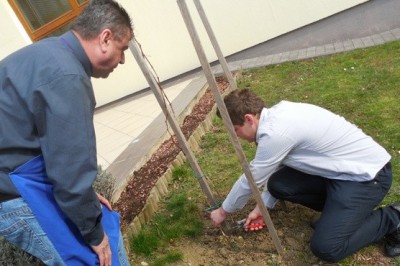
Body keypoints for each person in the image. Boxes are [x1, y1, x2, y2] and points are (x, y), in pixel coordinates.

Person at [0, 0, 133, 265]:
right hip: (21, 191)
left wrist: (79, 196)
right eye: (123, 49)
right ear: (105, 38)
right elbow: (70, 173)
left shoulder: (44, 53)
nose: (123, 60)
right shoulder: (67, 76)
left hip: (20, 180)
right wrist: (94, 234)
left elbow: (47, 152)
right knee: (99, 258)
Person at [210, 88, 400, 262]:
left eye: (236, 130)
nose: (237, 137)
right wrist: (262, 207)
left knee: (326, 248)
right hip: (338, 172)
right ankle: (339, 217)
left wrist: (223, 211)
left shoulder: (276, 133)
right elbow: (274, 167)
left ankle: (393, 218)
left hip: (367, 177)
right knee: (278, 184)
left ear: (249, 119)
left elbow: (250, 181)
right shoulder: (278, 114)